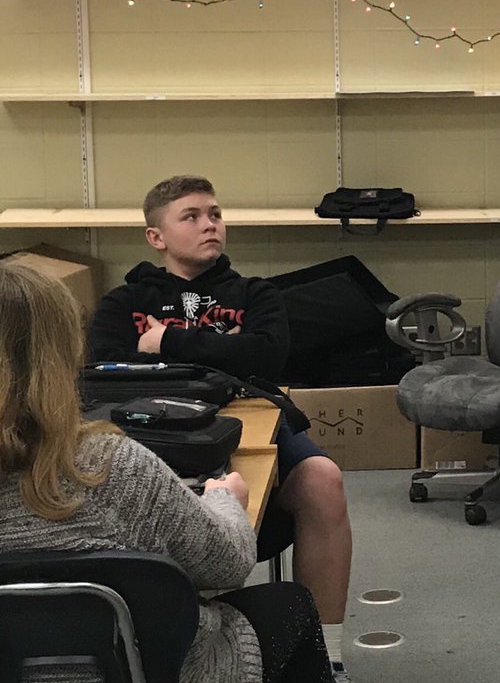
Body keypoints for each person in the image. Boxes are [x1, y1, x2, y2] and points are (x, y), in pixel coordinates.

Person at [0, 259, 333, 683]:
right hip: (146, 669)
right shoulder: (107, 465)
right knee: (291, 604)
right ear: (61, 355)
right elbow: (226, 565)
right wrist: (224, 499)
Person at [88, 175, 354, 683]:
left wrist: (166, 344)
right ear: (157, 237)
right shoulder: (122, 304)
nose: (210, 224)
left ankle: (330, 658)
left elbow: (266, 356)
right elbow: (106, 369)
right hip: (151, 429)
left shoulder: (256, 294)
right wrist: (221, 350)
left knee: (324, 479)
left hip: (250, 417)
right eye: (191, 217)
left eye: (215, 214)